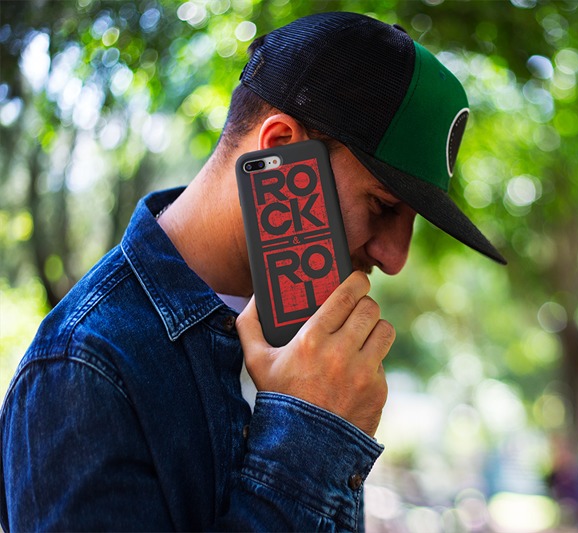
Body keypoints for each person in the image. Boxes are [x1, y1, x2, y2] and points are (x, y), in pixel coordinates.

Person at [0, 11, 506, 531]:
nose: (395, 258)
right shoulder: (82, 369)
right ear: (282, 148)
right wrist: (310, 432)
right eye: (382, 205)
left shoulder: (311, 347)